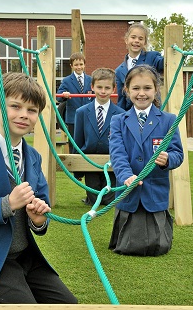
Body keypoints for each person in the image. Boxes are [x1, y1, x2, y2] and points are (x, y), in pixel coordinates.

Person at [0, 72, 77, 304]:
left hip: (27, 256)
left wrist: (38, 219)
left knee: (68, 304)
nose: (23, 115)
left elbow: (41, 207)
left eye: (31, 110)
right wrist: (6, 204)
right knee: (25, 305)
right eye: (15, 106)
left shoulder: (33, 157)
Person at [109, 65, 183, 256]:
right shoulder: (118, 120)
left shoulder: (168, 120)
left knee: (159, 247)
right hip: (129, 191)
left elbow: (178, 154)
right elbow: (117, 154)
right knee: (127, 246)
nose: (141, 93)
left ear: (156, 89)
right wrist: (126, 175)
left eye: (147, 88)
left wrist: (168, 159)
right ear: (126, 90)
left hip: (155, 192)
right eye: (135, 88)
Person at [73, 68, 124, 206]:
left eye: (107, 88)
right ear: (92, 87)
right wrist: (77, 170)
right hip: (89, 161)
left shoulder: (120, 114)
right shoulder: (81, 112)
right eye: (99, 87)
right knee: (96, 199)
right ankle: (90, 198)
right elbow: (78, 140)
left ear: (113, 89)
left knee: (109, 200)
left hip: (113, 162)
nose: (103, 91)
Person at [115, 22, 164, 110]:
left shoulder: (152, 57)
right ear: (126, 40)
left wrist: (172, 41)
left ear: (145, 42)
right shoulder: (119, 70)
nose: (136, 41)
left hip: (152, 110)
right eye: (133, 37)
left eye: (140, 38)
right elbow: (121, 100)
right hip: (131, 112)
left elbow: (165, 63)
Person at [57, 52, 92, 153]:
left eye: (81, 64)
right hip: (73, 118)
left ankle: (87, 164)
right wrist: (64, 94)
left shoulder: (90, 80)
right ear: (71, 66)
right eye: (76, 65)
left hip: (88, 117)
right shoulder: (67, 81)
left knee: (88, 141)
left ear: (84, 65)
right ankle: (73, 166)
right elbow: (59, 97)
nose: (79, 67)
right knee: (74, 142)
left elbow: (95, 96)